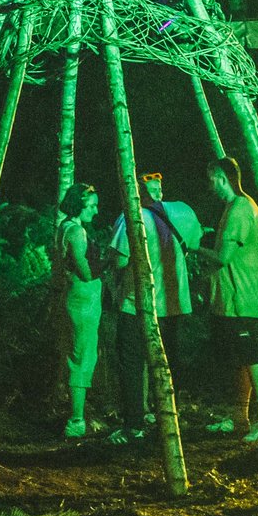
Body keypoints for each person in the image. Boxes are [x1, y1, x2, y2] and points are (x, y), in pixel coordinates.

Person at [104, 171, 207, 442]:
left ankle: (134, 423)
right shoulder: (182, 211)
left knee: (132, 363)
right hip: (173, 303)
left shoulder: (131, 217)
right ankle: (166, 414)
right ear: (160, 190)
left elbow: (120, 261)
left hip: (138, 304)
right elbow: (195, 243)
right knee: (166, 361)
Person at [201, 154, 258, 442]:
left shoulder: (240, 210)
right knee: (239, 359)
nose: (211, 187)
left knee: (253, 356)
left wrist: (193, 245)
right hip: (232, 301)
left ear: (222, 178)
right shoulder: (234, 208)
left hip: (245, 299)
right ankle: (239, 417)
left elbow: (222, 257)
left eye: (212, 181)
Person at [54, 183, 105, 439]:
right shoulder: (76, 232)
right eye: (92, 205)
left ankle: (80, 415)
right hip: (82, 301)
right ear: (79, 204)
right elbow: (85, 271)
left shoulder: (65, 227)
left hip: (75, 299)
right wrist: (107, 264)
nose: (96, 211)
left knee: (78, 354)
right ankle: (76, 420)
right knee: (81, 357)